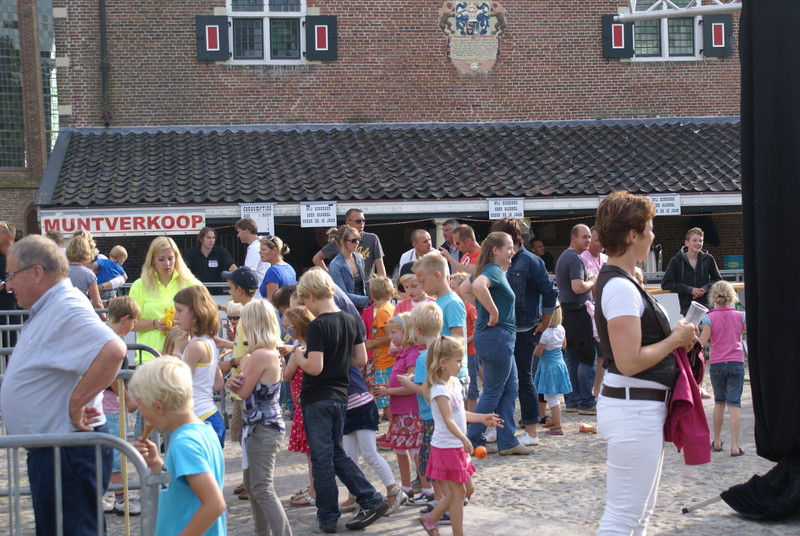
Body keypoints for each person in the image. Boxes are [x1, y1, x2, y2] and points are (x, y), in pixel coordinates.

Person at [1, 235, 127, 535]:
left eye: (12, 275)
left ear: (36, 272)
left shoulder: (66, 306)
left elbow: (113, 349)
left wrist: (77, 401)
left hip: (67, 453)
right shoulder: (54, 306)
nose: (8, 285)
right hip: (60, 451)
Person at [594, 191, 696, 535]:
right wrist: (675, 340)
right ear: (632, 235)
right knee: (624, 518)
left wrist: (675, 340)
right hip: (633, 408)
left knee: (637, 516)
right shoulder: (621, 288)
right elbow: (629, 361)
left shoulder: (622, 283)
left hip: (636, 406)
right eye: (649, 229)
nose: (653, 236)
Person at [294, 268, 388, 532]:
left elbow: (314, 367)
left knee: (322, 459)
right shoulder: (349, 319)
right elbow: (361, 359)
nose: (306, 307)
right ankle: (370, 498)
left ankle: (328, 516)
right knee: (335, 453)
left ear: (311, 296)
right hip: (340, 396)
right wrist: (338, 360)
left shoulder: (317, 325)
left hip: (318, 397)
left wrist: (299, 355)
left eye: (305, 301)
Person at [131, 357, 226, 536]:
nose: (141, 413)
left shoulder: (185, 444)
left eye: (141, 406)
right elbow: (181, 485)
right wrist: (157, 464)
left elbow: (214, 504)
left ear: (159, 407)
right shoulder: (204, 431)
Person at [419, 335, 502, 536]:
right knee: (458, 494)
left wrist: (481, 418)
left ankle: (431, 517)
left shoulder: (454, 382)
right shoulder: (439, 389)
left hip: (456, 446)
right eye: (457, 361)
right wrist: (465, 439)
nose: (461, 365)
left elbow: (459, 413)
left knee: (468, 489)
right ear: (442, 362)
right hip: (446, 448)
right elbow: (448, 420)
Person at [460, 231, 533, 455]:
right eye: (508, 248)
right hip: (497, 336)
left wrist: (484, 309)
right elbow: (477, 287)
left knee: (510, 388)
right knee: (493, 391)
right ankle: (473, 440)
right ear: (495, 250)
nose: (512, 252)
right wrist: (492, 311)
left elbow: (463, 289)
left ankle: (507, 441)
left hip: (496, 337)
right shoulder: (492, 270)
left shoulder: (490, 270)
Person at [226, 299, 293, 536]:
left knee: (262, 488)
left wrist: (234, 376)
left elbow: (242, 392)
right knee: (254, 487)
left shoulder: (260, 355)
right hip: (259, 426)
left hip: (262, 427)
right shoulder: (269, 352)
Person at [491, 218, 558, 446]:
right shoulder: (497, 261)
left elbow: (549, 292)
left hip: (525, 328)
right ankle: (499, 427)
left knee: (523, 379)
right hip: (503, 328)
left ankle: (531, 432)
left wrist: (546, 321)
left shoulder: (531, 261)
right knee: (500, 380)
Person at [219, 266, 260, 501]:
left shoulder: (251, 314)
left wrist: (232, 362)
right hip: (240, 386)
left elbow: (257, 348)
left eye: (231, 287)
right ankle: (249, 478)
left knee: (248, 435)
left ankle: (253, 480)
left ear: (240, 290)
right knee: (240, 434)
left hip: (247, 386)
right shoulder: (246, 313)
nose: (229, 291)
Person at [375, 312, 424, 499]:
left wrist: (388, 391)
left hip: (409, 411)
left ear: (407, 332)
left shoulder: (411, 354)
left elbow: (411, 385)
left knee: (415, 451)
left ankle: (426, 489)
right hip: (399, 411)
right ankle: (406, 487)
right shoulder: (403, 354)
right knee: (400, 451)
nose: (390, 336)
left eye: (394, 332)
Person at [129, 236, 200, 362]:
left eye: (170, 258)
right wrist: (154, 323)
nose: (167, 264)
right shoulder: (139, 286)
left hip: (185, 357)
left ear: (176, 258)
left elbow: (205, 317)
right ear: (152, 260)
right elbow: (131, 324)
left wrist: (182, 326)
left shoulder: (191, 283)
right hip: (149, 357)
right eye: (161, 259)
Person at [698, 280, 747, 457]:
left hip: (717, 363)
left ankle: (717, 441)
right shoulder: (741, 316)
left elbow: (701, 343)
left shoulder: (708, 318)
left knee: (719, 402)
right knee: (734, 404)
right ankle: (735, 446)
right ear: (732, 297)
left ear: (713, 298)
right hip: (736, 362)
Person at [173, 285, 225, 447]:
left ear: (196, 312)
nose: (175, 316)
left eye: (179, 310)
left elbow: (179, 383)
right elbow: (218, 384)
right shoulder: (209, 342)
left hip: (199, 418)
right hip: (210, 414)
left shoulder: (195, 345)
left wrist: (176, 350)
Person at [104, 296, 142, 516]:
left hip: (105, 403)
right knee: (116, 454)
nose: (134, 327)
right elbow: (111, 375)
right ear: (126, 319)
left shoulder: (105, 335)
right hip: (109, 405)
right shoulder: (113, 342)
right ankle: (121, 500)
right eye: (134, 322)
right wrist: (127, 399)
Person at [555, 224, 597, 415]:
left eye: (589, 237)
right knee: (587, 357)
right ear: (574, 238)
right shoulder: (574, 258)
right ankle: (586, 402)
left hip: (568, 312)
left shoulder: (565, 257)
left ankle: (573, 400)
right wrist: (592, 281)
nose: (588, 240)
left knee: (572, 357)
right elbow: (578, 287)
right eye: (585, 237)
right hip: (578, 313)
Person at [282, 306, 317, 507]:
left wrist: (281, 359)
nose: (285, 329)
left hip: (304, 407)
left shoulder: (299, 351)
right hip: (306, 404)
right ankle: (313, 488)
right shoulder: (312, 347)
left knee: (311, 453)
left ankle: (314, 491)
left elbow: (286, 375)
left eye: (287, 326)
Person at [661, 227, 723, 316]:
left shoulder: (709, 259)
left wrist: (705, 288)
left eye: (700, 241)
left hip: (708, 306)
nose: (698, 243)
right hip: (688, 307)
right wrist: (690, 290)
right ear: (686, 243)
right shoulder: (676, 260)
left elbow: (718, 280)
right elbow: (666, 283)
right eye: (694, 240)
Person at [313, 209, 387, 278]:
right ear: (348, 222)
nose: (362, 223)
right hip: (346, 285)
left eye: (363, 220)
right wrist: (331, 277)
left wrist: (383, 284)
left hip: (366, 285)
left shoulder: (372, 238)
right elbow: (317, 258)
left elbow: (380, 265)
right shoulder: (339, 240)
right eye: (358, 221)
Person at [533, 306, 571, 436]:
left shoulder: (545, 334)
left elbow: (538, 353)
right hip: (559, 363)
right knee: (552, 396)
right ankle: (554, 420)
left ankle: (558, 426)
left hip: (548, 367)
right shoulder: (561, 328)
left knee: (552, 398)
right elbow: (564, 345)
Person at [364, 276, 395, 419]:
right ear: (392, 294)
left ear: (372, 295)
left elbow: (390, 335)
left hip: (384, 360)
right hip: (386, 359)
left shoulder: (382, 311)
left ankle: (391, 424)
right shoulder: (390, 308)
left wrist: (371, 343)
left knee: (385, 399)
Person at [449, 272, 480, 411]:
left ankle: (471, 417)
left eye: (454, 287)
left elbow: (478, 330)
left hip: (470, 352)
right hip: (460, 350)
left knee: (471, 386)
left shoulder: (470, 307)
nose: (451, 290)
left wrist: (464, 341)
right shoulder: (455, 305)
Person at [184, 227, 236, 295]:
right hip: (197, 293)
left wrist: (239, 277)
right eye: (208, 238)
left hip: (216, 293)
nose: (211, 240)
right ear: (201, 239)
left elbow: (231, 266)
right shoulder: (192, 252)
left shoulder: (221, 251)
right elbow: (184, 267)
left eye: (213, 238)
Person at [329, 224, 370, 309]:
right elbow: (343, 295)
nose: (357, 243)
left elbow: (364, 285)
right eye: (353, 240)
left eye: (358, 239)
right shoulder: (335, 265)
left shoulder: (359, 258)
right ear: (342, 242)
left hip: (363, 307)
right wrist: (369, 300)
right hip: (347, 309)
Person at [66, 233, 106, 320]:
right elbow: (97, 302)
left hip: (62, 314)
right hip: (80, 315)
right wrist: (105, 319)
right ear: (86, 251)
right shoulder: (89, 275)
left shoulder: (59, 271)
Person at [235, 217, 270, 298]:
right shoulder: (261, 244)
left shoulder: (254, 248)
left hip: (257, 295)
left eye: (239, 232)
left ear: (247, 230)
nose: (238, 235)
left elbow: (248, 274)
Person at [258, 235, 296, 301]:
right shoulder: (290, 268)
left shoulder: (273, 271)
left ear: (274, 250)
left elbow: (272, 302)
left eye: (263, 249)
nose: (259, 252)